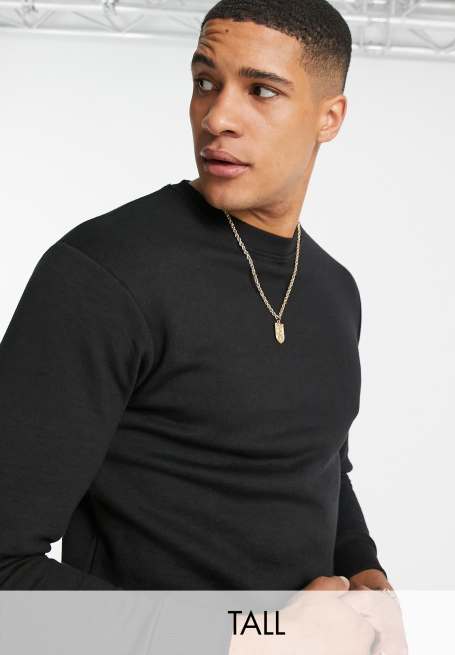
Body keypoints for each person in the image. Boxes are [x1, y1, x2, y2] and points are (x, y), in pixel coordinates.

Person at [0, 0, 393, 606]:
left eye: (261, 91)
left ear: (329, 117)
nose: (217, 118)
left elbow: (318, 464)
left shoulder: (334, 289)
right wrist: (253, 640)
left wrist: (364, 571)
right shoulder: (102, 274)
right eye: (205, 82)